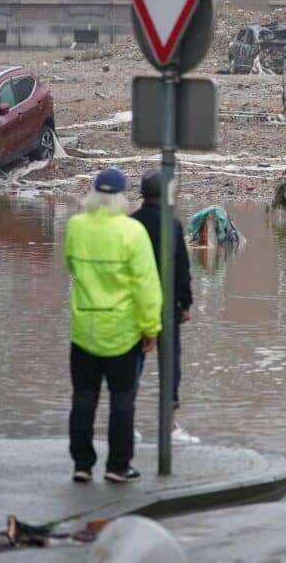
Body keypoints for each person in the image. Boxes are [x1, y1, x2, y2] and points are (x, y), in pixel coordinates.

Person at [65, 167, 162, 483]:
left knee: (83, 398)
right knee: (122, 400)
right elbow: (146, 286)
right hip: (123, 331)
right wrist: (151, 329)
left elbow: (70, 264)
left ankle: (82, 464)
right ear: (122, 196)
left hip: (84, 330)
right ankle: (118, 465)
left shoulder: (76, 226)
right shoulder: (132, 232)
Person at [130, 170, 199, 445]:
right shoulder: (172, 225)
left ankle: (128, 424)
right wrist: (186, 303)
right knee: (170, 366)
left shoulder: (131, 224)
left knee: (133, 365)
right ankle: (169, 427)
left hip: (136, 305)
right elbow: (182, 268)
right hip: (167, 305)